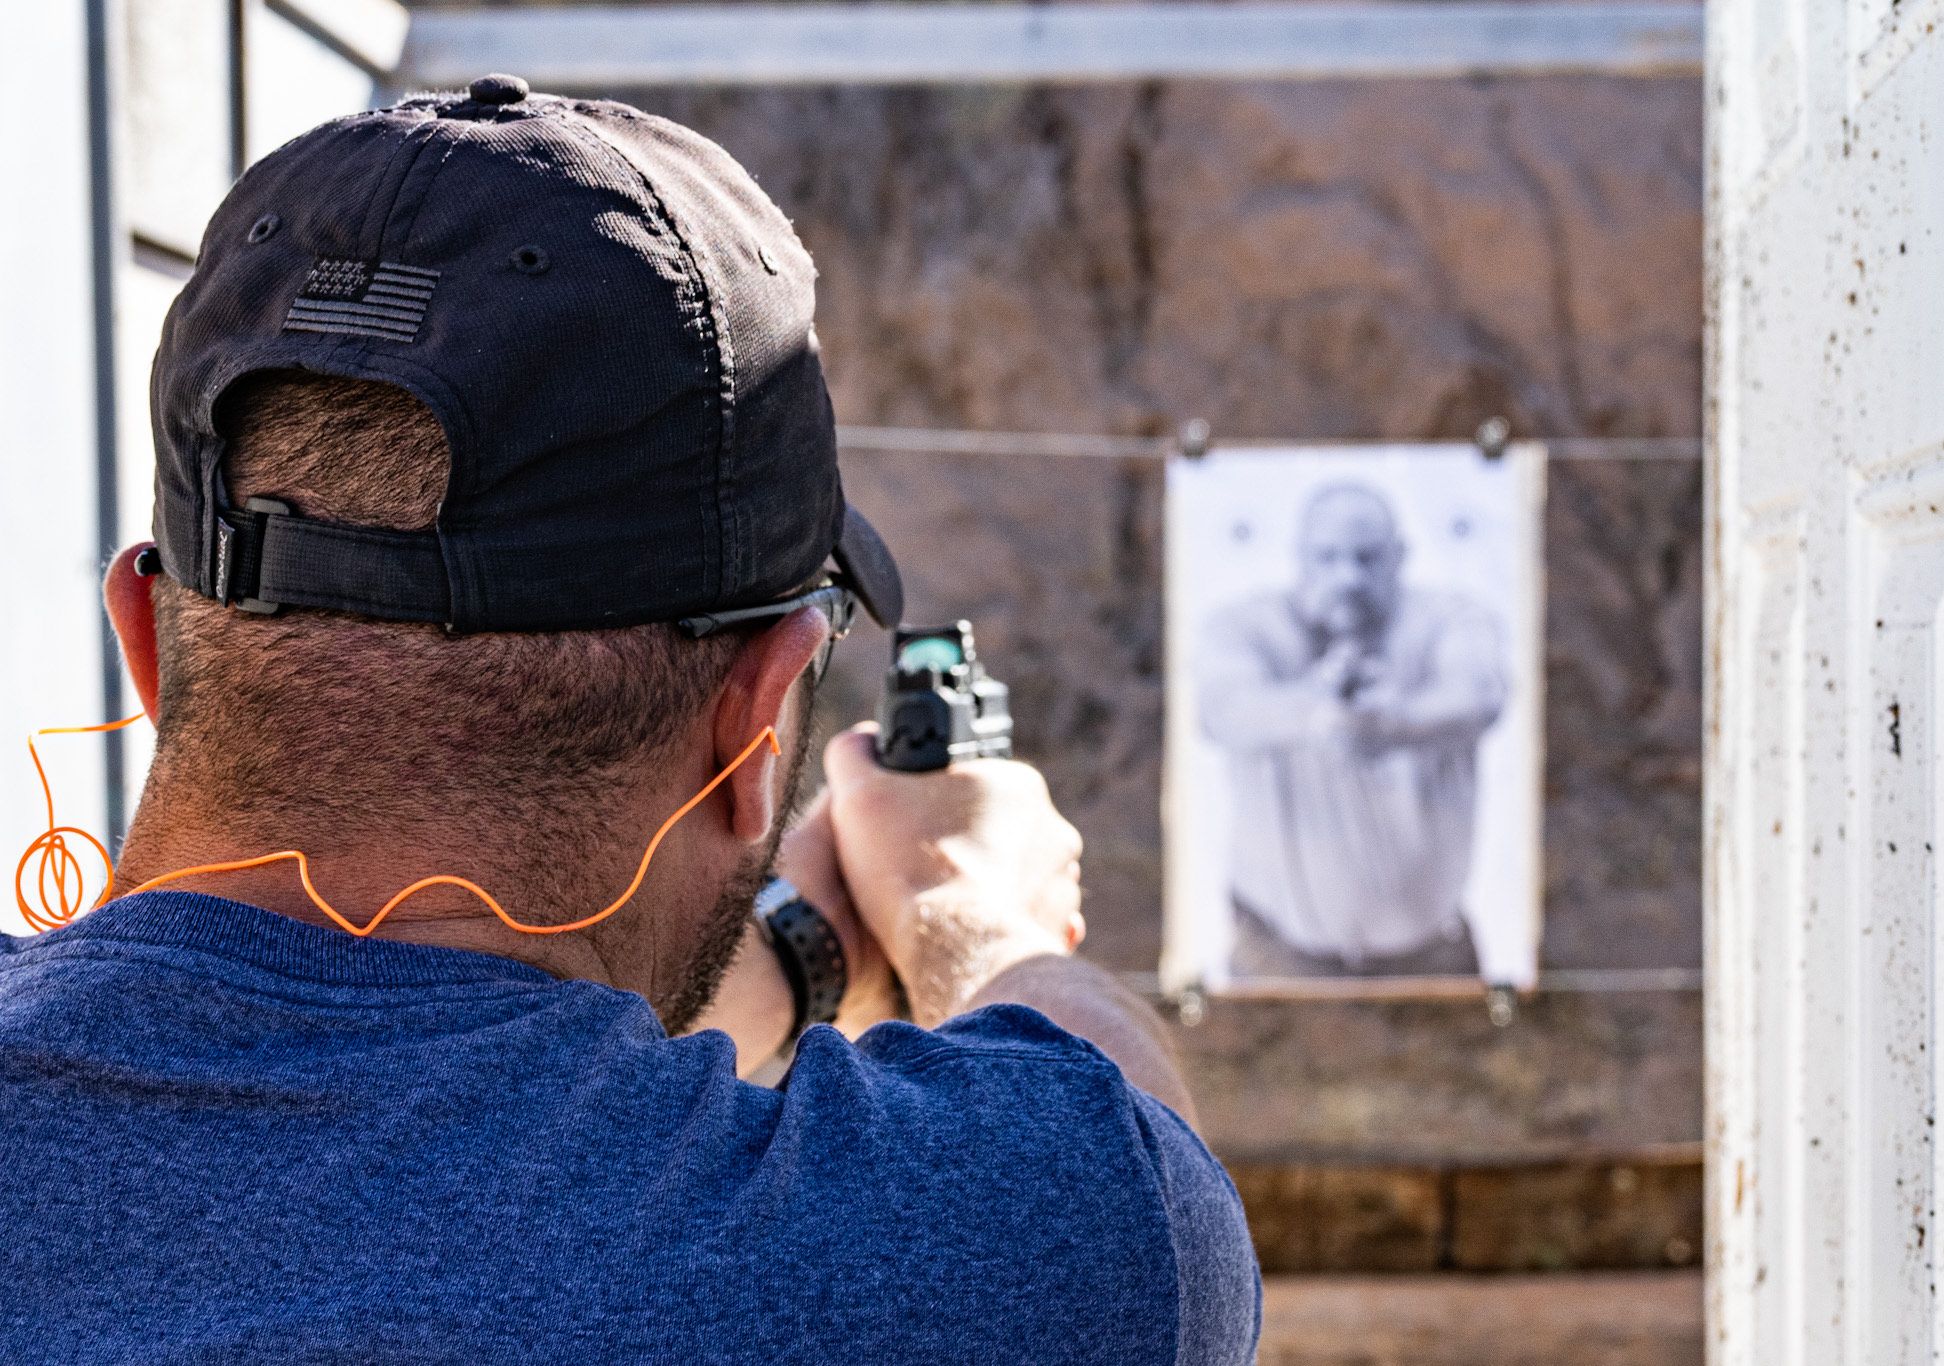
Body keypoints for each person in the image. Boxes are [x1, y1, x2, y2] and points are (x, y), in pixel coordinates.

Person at [0, 79, 1257, 1363]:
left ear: (147, 644)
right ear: (757, 726)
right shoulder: (1010, 1257)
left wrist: (809, 948)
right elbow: (1138, 1187)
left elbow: (390, 1121)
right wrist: (976, 916)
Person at [1197, 481, 1508, 978]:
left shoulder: (1452, 619)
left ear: (1399, 556)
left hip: (1431, 959)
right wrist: (1317, 708)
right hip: (1280, 958)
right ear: (1300, 557)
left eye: (1366, 558)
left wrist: (1397, 721)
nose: (1347, 577)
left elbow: (1479, 694)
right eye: (1328, 557)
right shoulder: (1244, 627)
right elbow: (1223, 710)